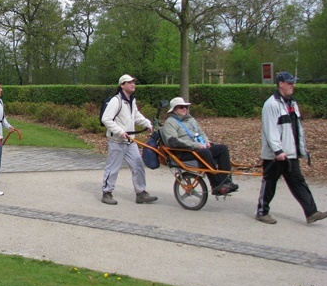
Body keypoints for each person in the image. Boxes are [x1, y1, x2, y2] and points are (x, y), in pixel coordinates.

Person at [256, 72, 327, 225]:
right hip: (275, 155)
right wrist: (277, 151)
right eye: (290, 83)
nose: (293, 86)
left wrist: (300, 149)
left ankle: (311, 212)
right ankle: (262, 212)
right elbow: (271, 130)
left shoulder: (292, 103)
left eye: (293, 83)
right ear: (281, 84)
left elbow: (296, 129)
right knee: (269, 183)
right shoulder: (271, 104)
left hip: (290, 153)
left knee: (299, 182)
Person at [161, 97, 239, 195]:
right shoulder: (170, 122)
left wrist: (206, 141)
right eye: (181, 107)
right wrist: (195, 145)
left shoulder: (190, 119)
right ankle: (216, 186)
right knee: (205, 152)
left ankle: (226, 182)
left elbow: (201, 133)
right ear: (174, 110)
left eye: (186, 107)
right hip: (183, 152)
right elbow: (172, 141)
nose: (184, 109)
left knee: (222, 148)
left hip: (199, 148)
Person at [101, 74, 157, 205]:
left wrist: (147, 124)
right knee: (113, 168)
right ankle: (107, 193)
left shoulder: (132, 100)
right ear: (122, 85)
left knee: (138, 164)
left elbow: (135, 115)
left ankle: (141, 193)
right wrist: (120, 131)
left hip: (130, 141)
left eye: (133, 82)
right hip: (116, 141)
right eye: (129, 82)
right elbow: (106, 119)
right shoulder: (116, 100)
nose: (133, 84)